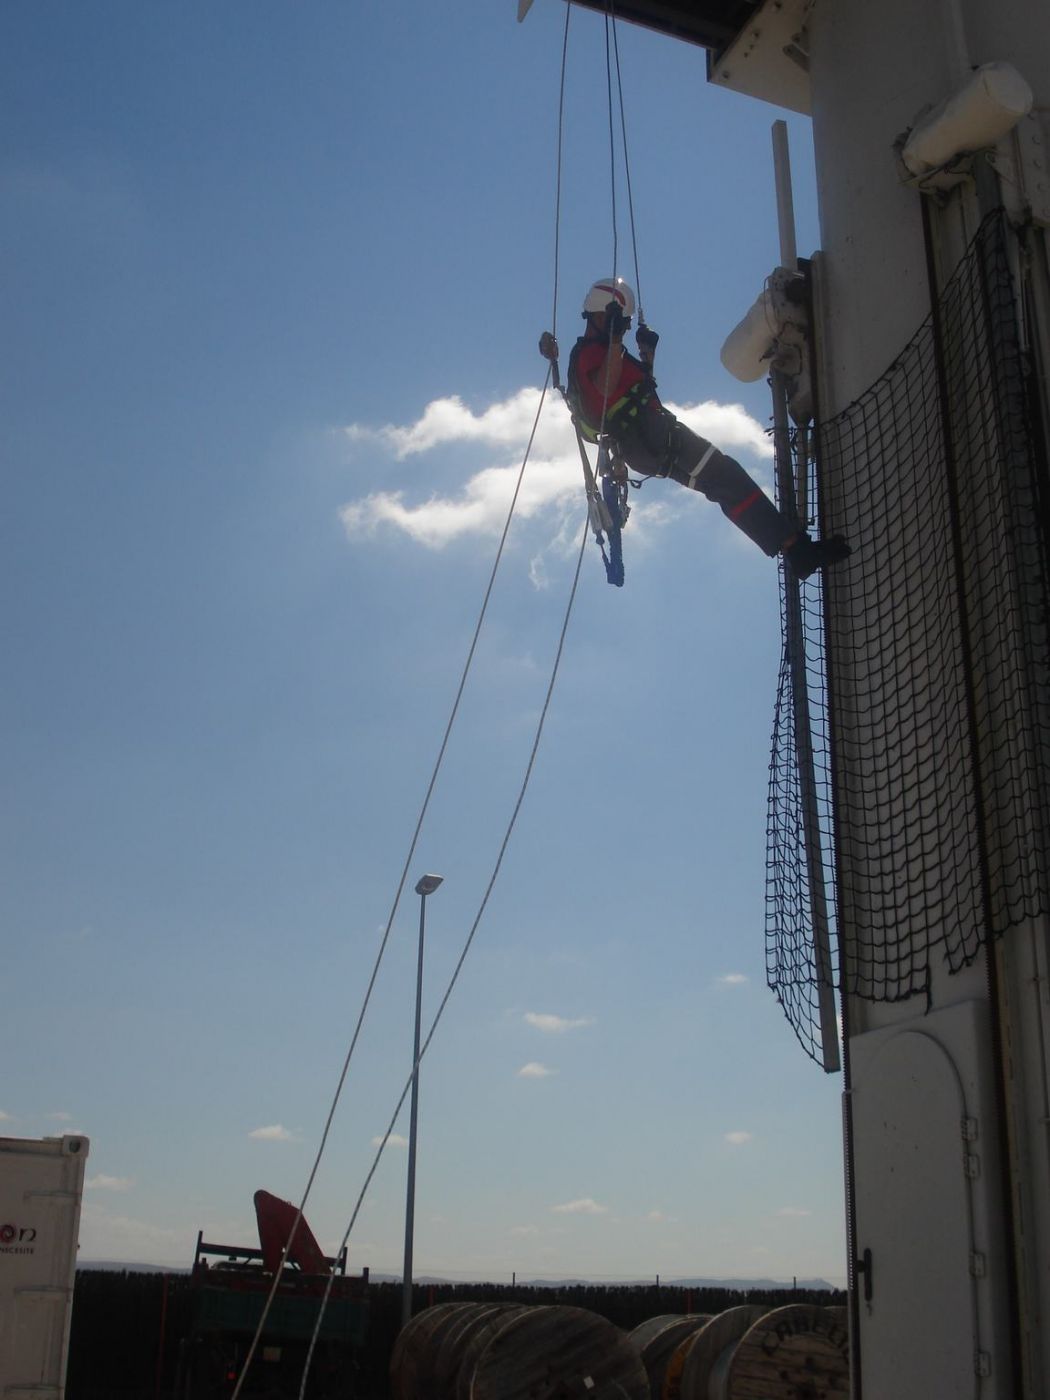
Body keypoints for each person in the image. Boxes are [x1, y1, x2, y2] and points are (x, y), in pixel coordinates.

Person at [543, 277, 851, 578]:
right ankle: (796, 549)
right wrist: (614, 341)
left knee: (721, 482)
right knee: (725, 476)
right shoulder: (589, 354)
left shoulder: (606, 351)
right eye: (620, 321)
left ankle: (792, 547)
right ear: (602, 315)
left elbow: (637, 389)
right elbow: (606, 389)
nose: (622, 328)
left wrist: (647, 356)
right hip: (649, 438)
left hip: (648, 439)